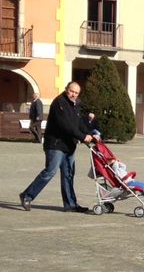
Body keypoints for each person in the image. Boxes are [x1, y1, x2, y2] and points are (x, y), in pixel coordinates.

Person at [19, 81, 94, 212]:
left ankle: (70, 204)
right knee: (50, 171)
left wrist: (90, 133)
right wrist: (82, 137)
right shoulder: (60, 103)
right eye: (72, 91)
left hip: (69, 145)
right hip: (55, 144)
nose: (73, 95)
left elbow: (79, 123)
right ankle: (27, 195)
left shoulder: (77, 104)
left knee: (68, 174)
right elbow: (66, 125)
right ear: (66, 89)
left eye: (76, 93)